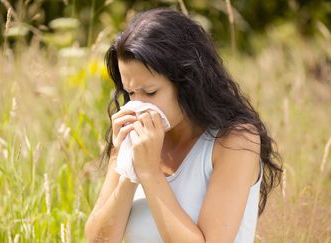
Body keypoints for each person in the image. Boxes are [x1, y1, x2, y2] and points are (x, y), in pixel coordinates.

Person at [85, 8, 282, 243]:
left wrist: (150, 173)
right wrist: (129, 169)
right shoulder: (131, 138)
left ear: (188, 82)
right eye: (130, 93)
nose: (137, 106)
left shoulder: (235, 142)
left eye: (150, 92)